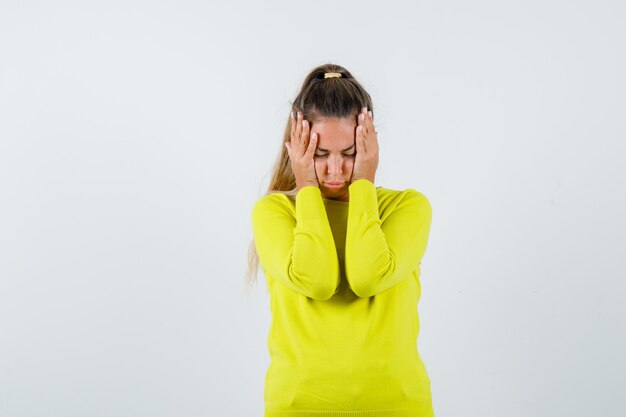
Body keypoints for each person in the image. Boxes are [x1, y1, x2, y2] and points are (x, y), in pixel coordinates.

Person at [246, 63, 434, 417]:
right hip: (298, 408)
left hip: (397, 408)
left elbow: (368, 277)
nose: (335, 170)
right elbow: (316, 281)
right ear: (297, 146)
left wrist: (364, 183)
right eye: (319, 155)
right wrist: (306, 188)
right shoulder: (275, 212)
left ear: (369, 142)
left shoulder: (407, 208)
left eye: (349, 154)